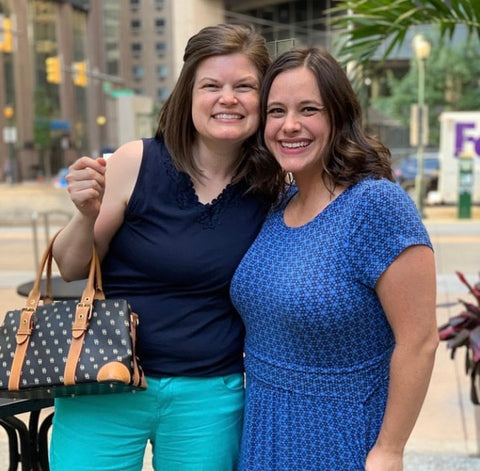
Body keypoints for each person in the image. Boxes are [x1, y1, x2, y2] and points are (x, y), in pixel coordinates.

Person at [50, 23, 276, 471]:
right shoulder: (136, 161)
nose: (227, 98)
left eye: (244, 87)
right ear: (188, 93)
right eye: (211, 86)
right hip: (106, 378)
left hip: (209, 396)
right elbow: (71, 266)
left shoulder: (273, 187)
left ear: (263, 99)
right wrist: (86, 214)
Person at [230, 47, 439, 471]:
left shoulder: (376, 205)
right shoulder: (278, 204)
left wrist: (390, 450)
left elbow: (419, 341)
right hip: (264, 431)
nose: (290, 125)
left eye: (309, 109)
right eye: (276, 111)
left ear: (338, 116)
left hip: (339, 437)